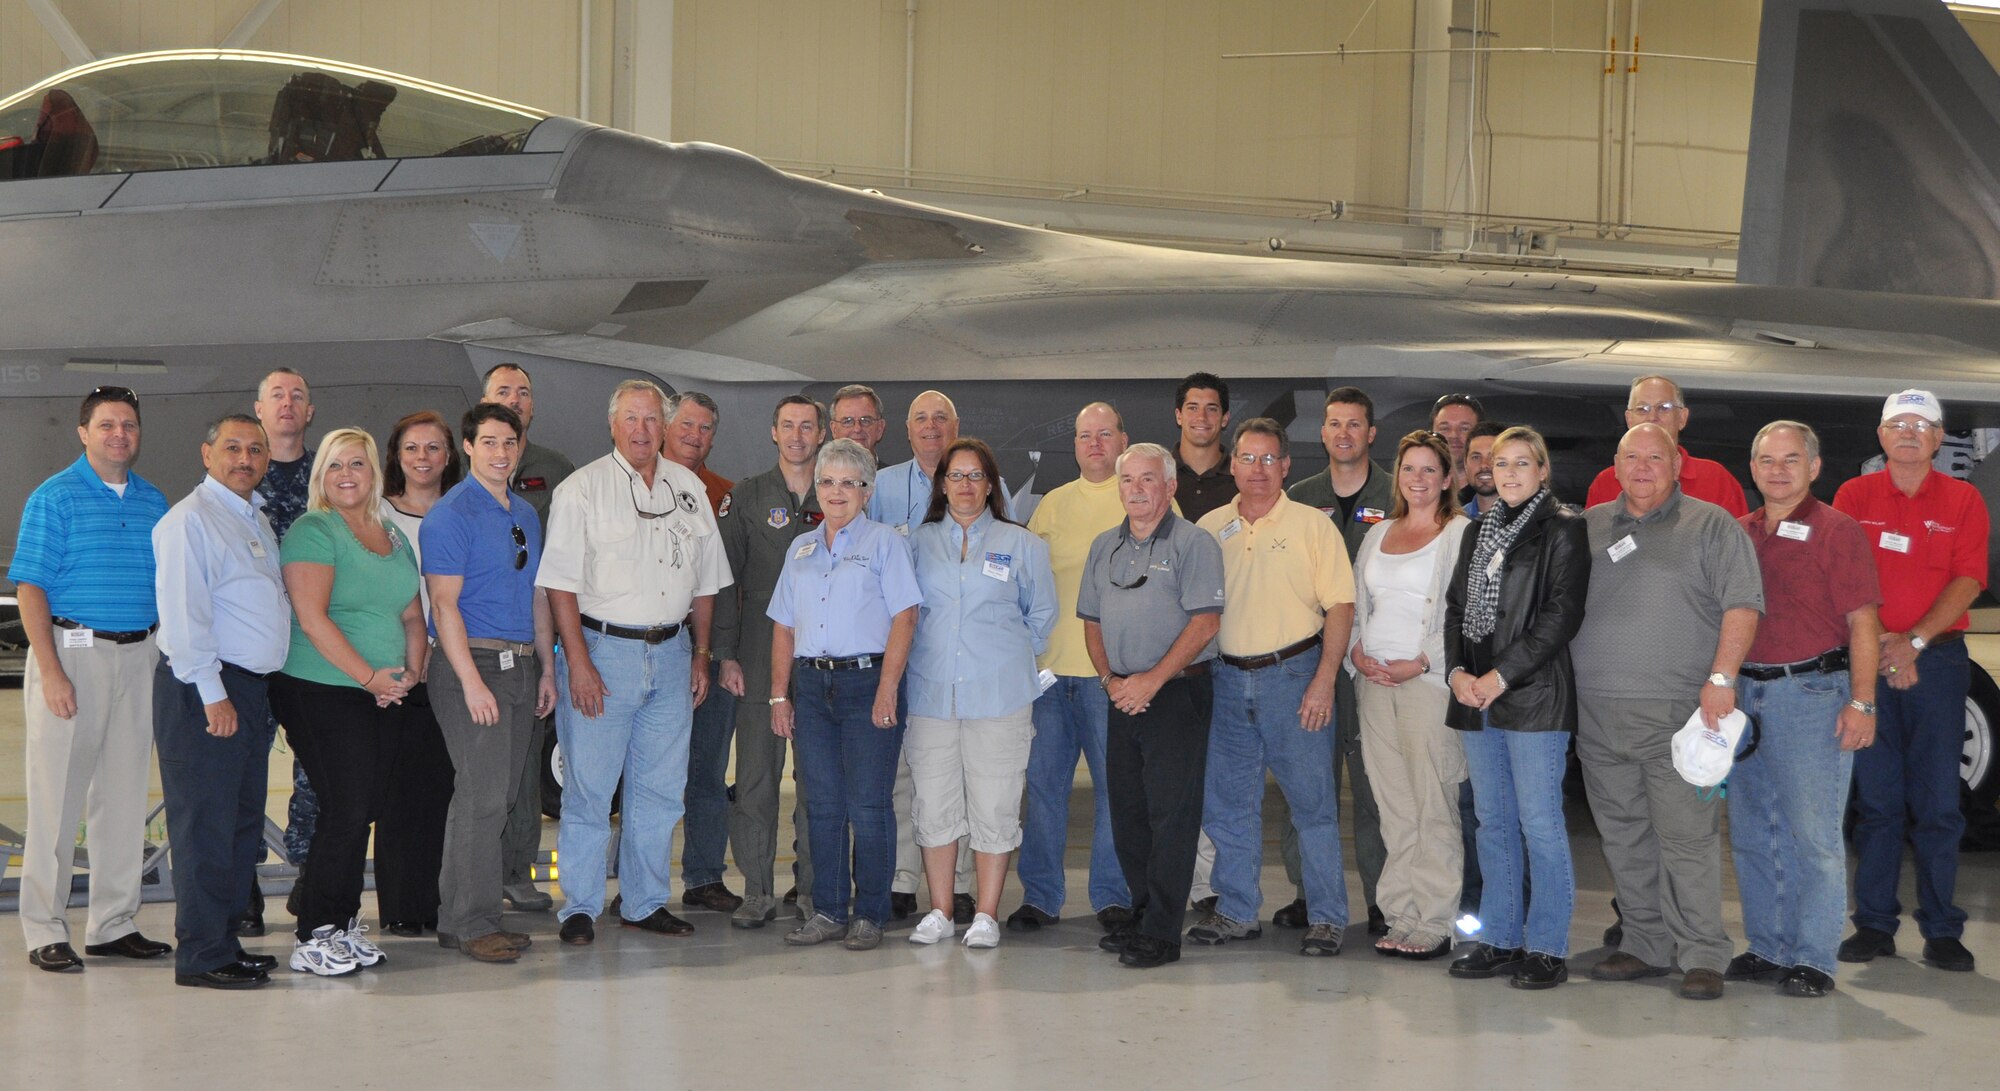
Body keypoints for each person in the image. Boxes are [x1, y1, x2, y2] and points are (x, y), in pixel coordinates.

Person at [1573, 422, 1762, 1000]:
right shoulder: (1588, 527)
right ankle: (1645, 943)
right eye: (1633, 457)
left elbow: (1742, 606)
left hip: (1681, 715)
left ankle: (1703, 952)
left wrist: (1722, 677)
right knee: (1624, 835)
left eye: (1656, 457)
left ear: (1678, 463)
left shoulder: (1711, 525)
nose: (1644, 468)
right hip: (1597, 712)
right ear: (1616, 463)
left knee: (1687, 838)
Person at [538, 381, 731, 945]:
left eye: (652, 419)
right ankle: (579, 904)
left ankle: (644, 901)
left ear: (665, 426)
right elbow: (560, 586)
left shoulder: (689, 488)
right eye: (632, 418)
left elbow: (707, 583)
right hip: (604, 653)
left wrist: (700, 653)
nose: (642, 429)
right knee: (591, 790)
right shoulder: (582, 490)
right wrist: (579, 663)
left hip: (672, 656)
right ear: (613, 424)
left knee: (660, 790)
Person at [11, 386, 171, 973]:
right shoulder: (53, 498)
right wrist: (51, 671)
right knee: (57, 801)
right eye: (106, 425)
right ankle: (44, 929)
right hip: (72, 656)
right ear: (84, 433)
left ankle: (113, 923)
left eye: (128, 425)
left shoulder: (155, 501)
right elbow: (31, 587)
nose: (118, 435)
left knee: (125, 800)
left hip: (139, 656)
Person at [1834, 389, 1988, 974]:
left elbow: (1969, 579)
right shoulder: (1854, 496)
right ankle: (1874, 924)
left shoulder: (1963, 499)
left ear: (1938, 436)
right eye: (1897, 423)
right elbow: (1848, 579)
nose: (1908, 433)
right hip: (1870, 658)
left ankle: (1943, 928)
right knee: (1875, 804)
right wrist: (1882, 648)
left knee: (1939, 804)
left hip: (1939, 663)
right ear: (1880, 435)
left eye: (1921, 425)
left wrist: (1914, 642)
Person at [1727, 421, 1881, 997]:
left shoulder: (1837, 531)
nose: (1778, 470)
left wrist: (1862, 703)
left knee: (1812, 836)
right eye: (1767, 459)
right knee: (1751, 831)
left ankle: (1814, 957)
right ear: (1753, 467)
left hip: (1811, 695)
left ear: (1814, 468)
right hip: (1747, 695)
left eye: (1792, 460)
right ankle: (1768, 947)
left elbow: (1864, 624)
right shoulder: (1739, 532)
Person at [1192, 418, 1355, 956]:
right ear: (1231, 464)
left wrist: (1324, 681)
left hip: (1295, 679)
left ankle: (1328, 917)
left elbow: (1340, 607)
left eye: (1268, 460)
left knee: (1312, 806)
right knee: (1227, 805)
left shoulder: (1312, 526)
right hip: (1226, 682)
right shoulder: (1210, 528)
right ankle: (1237, 910)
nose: (1257, 470)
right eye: (1247, 459)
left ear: (1286, 466)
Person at [269, 428, 427, 976]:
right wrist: (369, 678)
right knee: (346, 808)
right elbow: (311, 618)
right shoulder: (314, 530)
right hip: (322, 689)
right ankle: (313, 933)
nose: (346, 474)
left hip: (382, 692)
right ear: (321, 477)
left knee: (365, 811)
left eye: (356, 464)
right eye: (335, 465)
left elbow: (411, 614)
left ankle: (341, 925)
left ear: (373, 473)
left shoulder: (391, 534)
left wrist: (411, 673)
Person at [1443, 426, 1590, 990]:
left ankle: (1547, 947)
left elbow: (1561, 616)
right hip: (1476, 699)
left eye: (1521, 464)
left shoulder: (1564, 528)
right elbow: (1457, 608)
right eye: (1500, 464)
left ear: (1543, 470)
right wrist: (1458, 673)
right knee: (1492, 821)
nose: (1508, 473)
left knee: (1540, 824)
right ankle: (1501, 938)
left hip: (1533, 700)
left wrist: (1498, 677)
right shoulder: (1477, 530)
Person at [151, 414, 290, 989]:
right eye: (232, 447)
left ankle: (224, 939)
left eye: (255, 449)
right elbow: (186, 620)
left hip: (247, 691)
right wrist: (214, 695)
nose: (245, 458)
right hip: (205, 689)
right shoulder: (190, 521)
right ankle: (202, 955)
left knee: (237, 826)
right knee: (204, 826)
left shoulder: (252, 515)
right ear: (206, 455)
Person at [769, 439, 923, 951]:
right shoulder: (801, 548)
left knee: (869, 805)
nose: (837, 492)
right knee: (824, 805)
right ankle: (830, 911)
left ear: (867, 491)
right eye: (828, 482)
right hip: (812, 687)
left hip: (866, 685)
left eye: (849, 483)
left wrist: (887, 689)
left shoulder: (885, 543)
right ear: (817, 489)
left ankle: (871, 914)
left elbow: (906, 617)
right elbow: (784, 628)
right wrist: (778, 696)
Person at [421, 403, 559, 963]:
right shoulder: (451, 515)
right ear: (468, 447)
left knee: (501, 797)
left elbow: (539, 595)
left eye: (510, 442)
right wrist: (471, 681)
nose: (501, 452)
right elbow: (443, 604)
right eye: (490, 442)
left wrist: (547, 666)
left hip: (522, 666)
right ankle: (467, 921)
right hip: (473, 667)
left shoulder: (524, 511)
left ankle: (472, 915)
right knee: (479, 798)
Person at [905, 439, 1056, 948]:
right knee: (935, 803)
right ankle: (942, 911)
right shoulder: (916, 543)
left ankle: (986, 914)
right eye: (955, 476)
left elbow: (1042, 617)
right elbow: (906, 615)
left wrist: (1004, 655)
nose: (965, 486)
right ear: (941, 484)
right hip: (931, 698)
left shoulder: (1023, 544)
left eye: (975, 476)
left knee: (995, 804)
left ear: (991, 485)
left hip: (1000, 698)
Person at [1082, 443, 1226, 969]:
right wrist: (1110, 680)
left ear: (1169, 487)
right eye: (1128, 481)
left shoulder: (1194, 543)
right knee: (1129, 814)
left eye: (1148, 480)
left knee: (1172, 817)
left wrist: (1151, 681)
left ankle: (1164, 934)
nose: (1136, 490)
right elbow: (1092, 622)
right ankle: (1142, 916)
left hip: (1177, 694)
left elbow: (1205, 623)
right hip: (1121, 696)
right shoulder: (1105, 546)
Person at [1010, 403, 1136, 933]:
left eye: (1105, 434)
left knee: (1115, 790)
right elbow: (1024, 584)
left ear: (1122, 440)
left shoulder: (1137, 500)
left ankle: (1111, 895)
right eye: (1085, 435)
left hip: (1111, 678)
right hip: (1049, 677)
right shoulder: (1052, 506)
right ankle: (1041, 896)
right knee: (1042, 789)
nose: (1094, 444)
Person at [1347, 431, 1470, 960]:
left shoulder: (1460, 533)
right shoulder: (1379, 534)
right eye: (1407, 469)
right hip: (1373, 684)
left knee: (1432, 802)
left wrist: (1420, 662)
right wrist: (1356, 652)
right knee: (1392, 804)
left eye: (1428, 470)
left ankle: (1436, 918)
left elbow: (1465, 617)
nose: (1416, 480)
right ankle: (1400, 913)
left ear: (1447, 479)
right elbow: (1356, 600)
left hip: (1427, 684)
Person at [1279, 386, 1391, 935]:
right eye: (1333, 423)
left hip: (1377, 666)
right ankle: (1307, 892)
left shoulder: (1400, 495)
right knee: (1309, 784)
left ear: (1371, 434)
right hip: (1314, 664)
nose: (1343, 433)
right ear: (1320, 433)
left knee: (1374, 786)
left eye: (1354, 424)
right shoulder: (1298, 499)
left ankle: (1382, 897)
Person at [866, 389, 981, 918]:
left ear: (955, 427)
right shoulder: (881, 485)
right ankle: (903, 875)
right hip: (894, 649)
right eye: (921, 419)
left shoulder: (985, 483)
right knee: (902, 774)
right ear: (905, 431)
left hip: (956, 653)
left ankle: (958, 880)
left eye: (941, 418)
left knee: (954, 769)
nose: (931, 426)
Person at [717, 395, 825, 927]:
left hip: (824, 660)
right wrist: (724, 655)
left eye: (808, 426)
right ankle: (757, 890)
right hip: (759, 658)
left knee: (818, 783)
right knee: (757, 781)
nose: (798, 436)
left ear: (821, 434)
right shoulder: (748, 496)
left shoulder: (842, 494)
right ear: (773, 433)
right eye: (789, 426)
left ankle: (811, 891)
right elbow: (723, 583)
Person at [480, 362, 574, 913]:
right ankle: (473, 873)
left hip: (536, 637)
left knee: (525, 759)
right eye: (503, 392)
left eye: (523, 393)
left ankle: (516, 869)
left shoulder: (555, 470)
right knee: (476, 766)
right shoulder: (458, 470)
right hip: (475, 639)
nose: (515, 400)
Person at [375, 411, 460, 938]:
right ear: (397, 457)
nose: (423, 458)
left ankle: (444, 902)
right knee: (400, 795)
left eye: (433, 448)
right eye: (412, 448)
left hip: (455, 668)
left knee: (447, 793)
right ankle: (403, 907)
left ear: (450, 457)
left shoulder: (464, 511)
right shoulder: (377, 515)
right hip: (397, 672)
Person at [661, 390, 744, 915]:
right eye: (687, 424)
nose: (696, 435)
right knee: (647, 773)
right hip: (652, 648)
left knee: (708, 771)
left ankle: (704, 876)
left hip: (709, 653)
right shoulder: (631, 486)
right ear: (666, 426)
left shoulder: (726, 496)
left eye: (706, 428)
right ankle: (640, 883)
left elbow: (730, 584)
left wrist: (720, 652)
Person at [254, 367, 317, 933]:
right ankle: (240, 885)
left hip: (312, 647)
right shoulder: (237, 474)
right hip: (250, 648)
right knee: (243, 770)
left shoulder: (330, 474)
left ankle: (310, 876)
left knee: (317, 770)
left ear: (310, 411)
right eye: (277, 395)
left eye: (298, 395)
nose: (288, 404)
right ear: (260, 409)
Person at [1584, 375, 1749, 516]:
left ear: (1682, 418)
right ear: (1629, 419)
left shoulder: (1716, 479)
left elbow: (1737, 546)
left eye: (1664, 408)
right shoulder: (1605, 482)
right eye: (1642, 409)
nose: (1652, 417)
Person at [1173, 372, 1236, 521]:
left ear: (1225, 418)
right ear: (1179, 416)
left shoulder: (1243, 477)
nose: (1201, 417)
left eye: (1211, 409)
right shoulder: (1157, 475)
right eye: (1193, 408)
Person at [1429, 393, 1483, 493]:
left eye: (1464, 429)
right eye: (1444, 428)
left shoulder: (1493, 494)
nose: (1454, 436)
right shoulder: (1416, 489)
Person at [1459, 421, 1506, 520]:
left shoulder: (1528, 519)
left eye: (1492, 457)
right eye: (1476, 457)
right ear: (1465, 464)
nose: (1484, 465)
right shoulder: (1455, 521)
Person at [827, 383, 889, 456]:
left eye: (865, 421)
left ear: (879, 428)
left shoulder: (895, 468)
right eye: (848, 421)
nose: (857, 429)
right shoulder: (822, 468)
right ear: (834, 429)